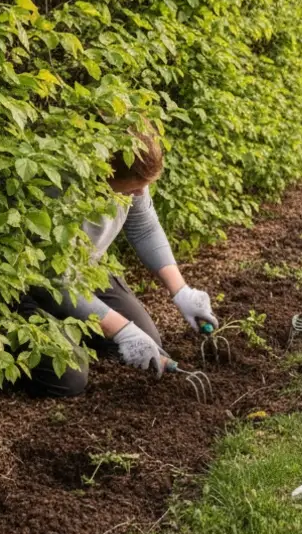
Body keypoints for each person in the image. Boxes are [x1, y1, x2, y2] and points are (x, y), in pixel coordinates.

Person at [17, 129, 218, 396]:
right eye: (134, 187)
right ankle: (47, 334)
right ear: (104, 174)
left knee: (150, 346)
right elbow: (55, 280)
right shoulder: (60, 190)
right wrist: (122, 330)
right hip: (32, 284)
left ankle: (77, 327)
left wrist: (182, 292)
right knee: (68, 379)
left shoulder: (131, 179)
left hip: (84, 272)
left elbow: (144, 228)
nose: (140, 193)